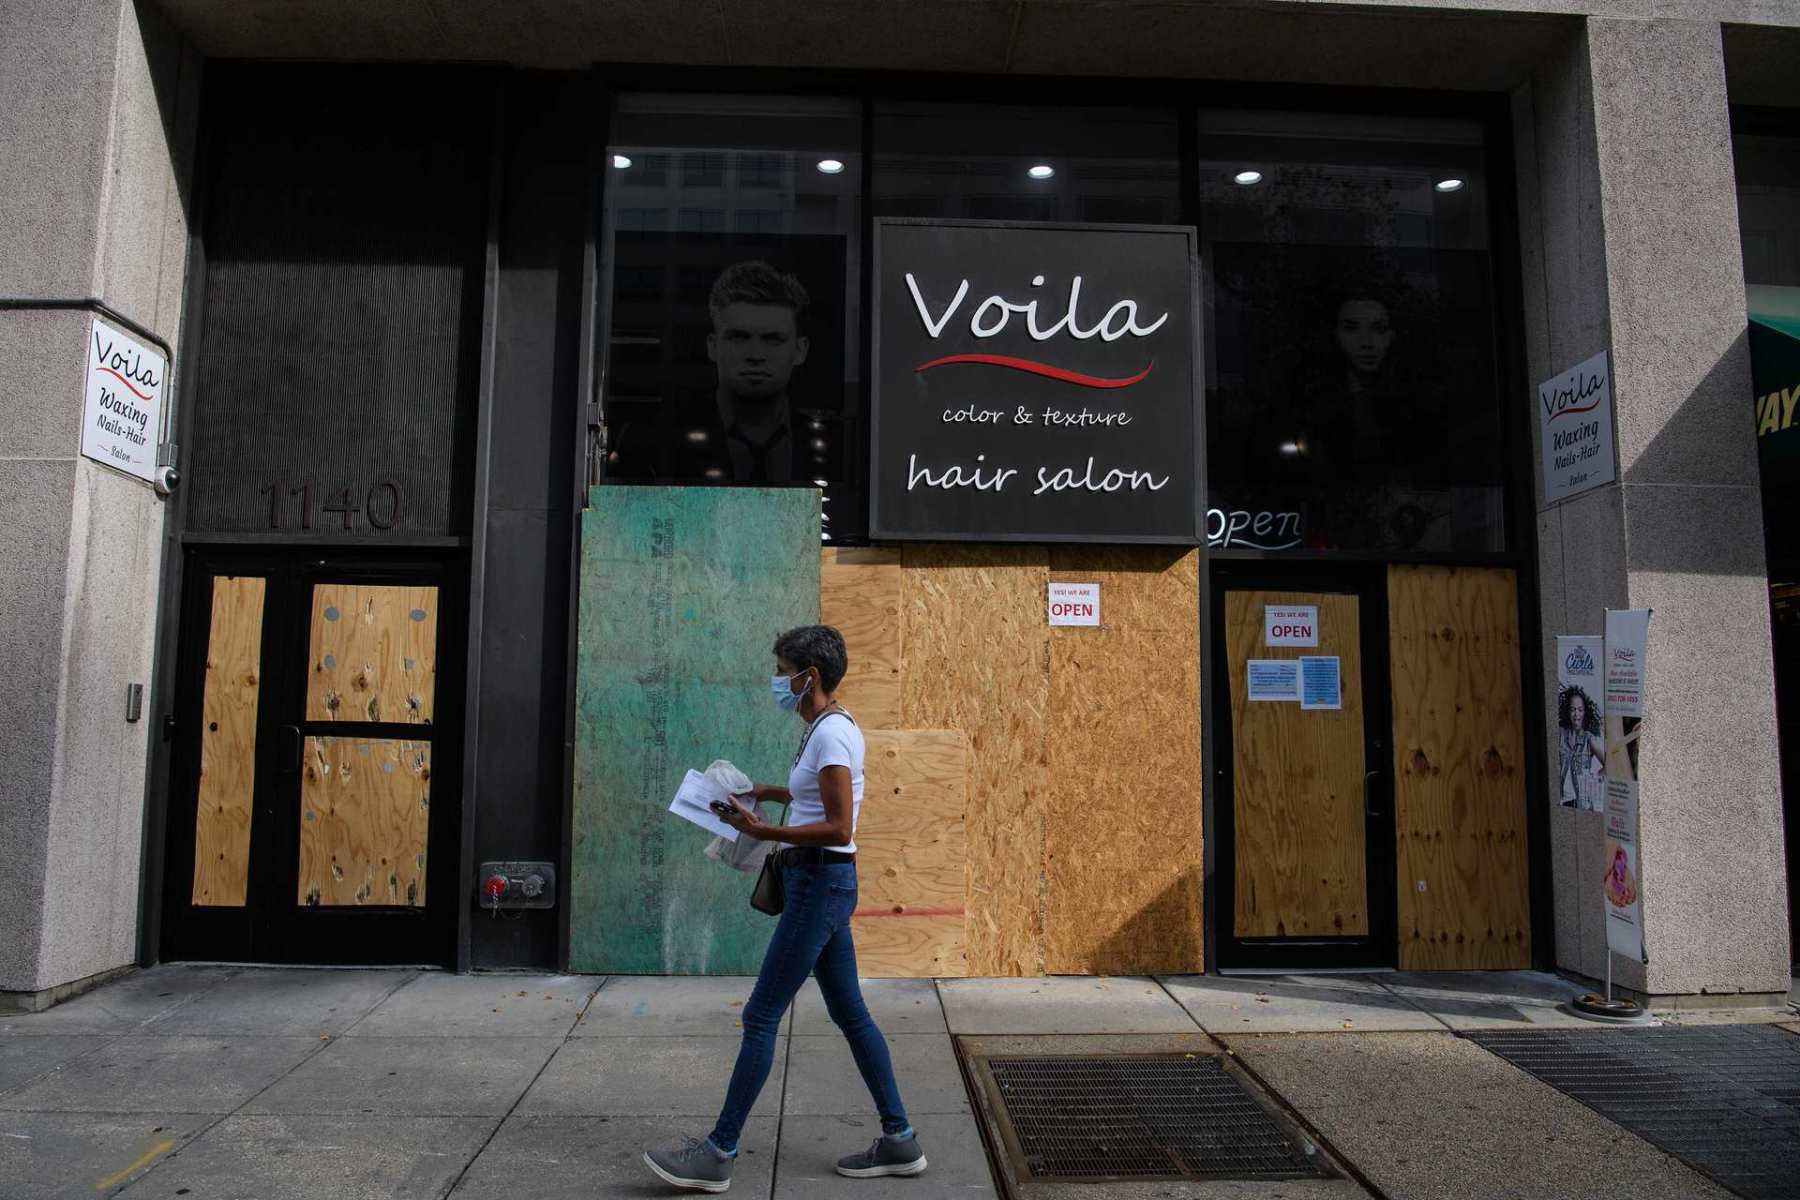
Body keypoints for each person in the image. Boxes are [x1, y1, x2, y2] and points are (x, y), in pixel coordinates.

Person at [643, 625, 924, 1193]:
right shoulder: (821, 727)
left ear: (809, 676)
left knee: (761, 1016)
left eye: (782, 670)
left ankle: (717, 1153)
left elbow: (841, 828)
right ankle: (900, 1140)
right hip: (817, 885)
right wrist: (765, 794)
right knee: (852, 1015)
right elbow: (814, 799)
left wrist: (762, 829)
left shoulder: (832, 737)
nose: (777, 681)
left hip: (819, 886)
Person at [1557, 685, 1605, 811]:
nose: (1576, 714)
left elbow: (1611, 764)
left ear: (1585, 712)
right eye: (1572, 709)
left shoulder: (1589, 739)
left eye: (1580, 710)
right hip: (1562, 802)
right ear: (1568, 711)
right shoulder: (1560, 735)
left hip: (1582, 805)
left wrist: (1593, 777)